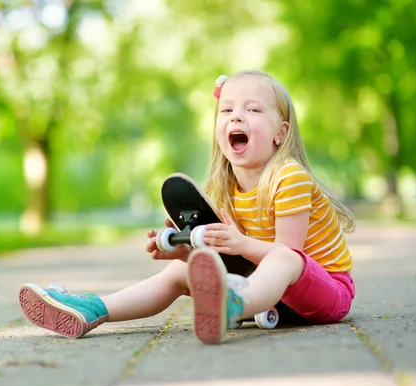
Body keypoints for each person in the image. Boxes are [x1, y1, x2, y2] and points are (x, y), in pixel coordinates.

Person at [18, 70, 356, 344]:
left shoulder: (288, 177)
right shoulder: (223, 188)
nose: (236, 116)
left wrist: (241, 243)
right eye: (227, 110)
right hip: (266, 292)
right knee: (179, 273)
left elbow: (290, 256)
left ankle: (231, 304)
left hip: (324, 291)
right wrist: (186, 253)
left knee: (284, 258)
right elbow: (236, 259)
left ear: (280, 133)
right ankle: (92, 310)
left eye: (252, 109)